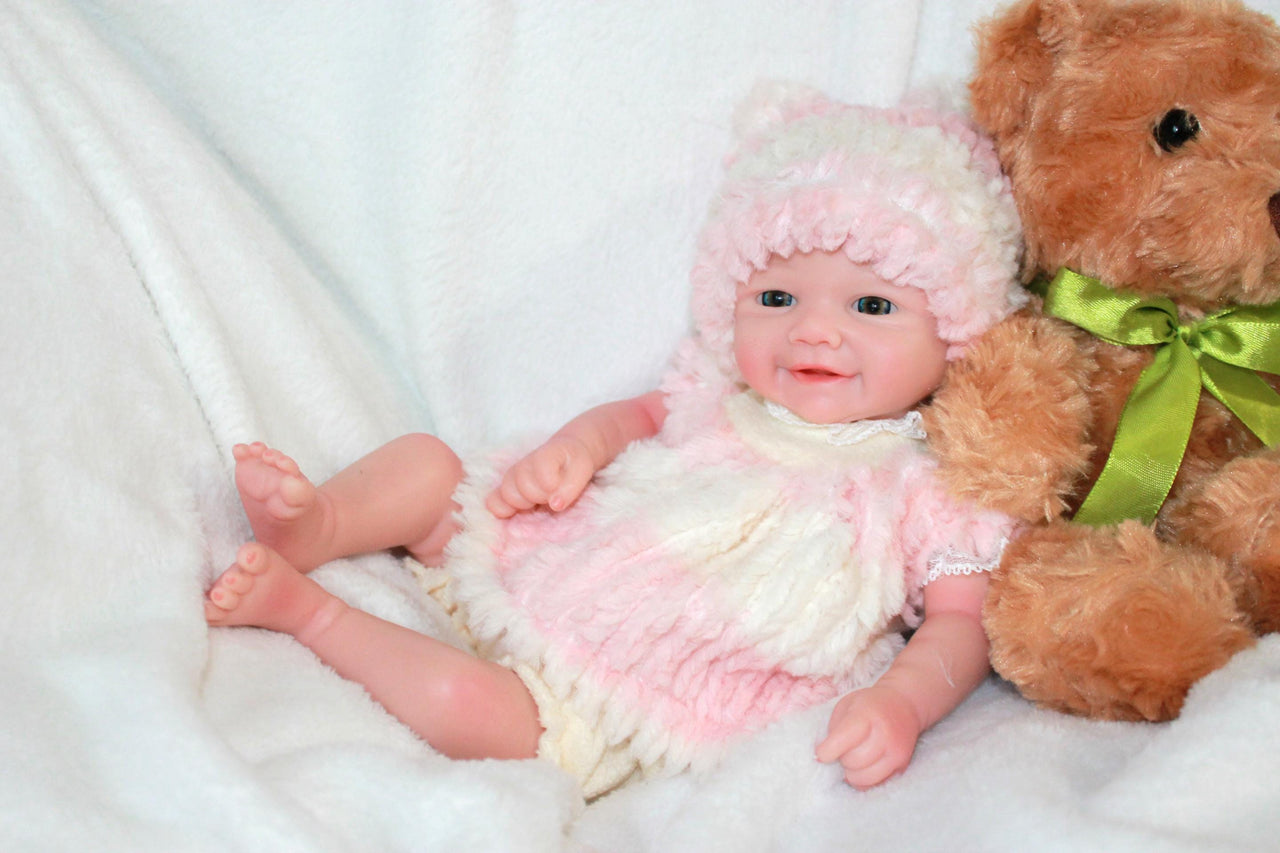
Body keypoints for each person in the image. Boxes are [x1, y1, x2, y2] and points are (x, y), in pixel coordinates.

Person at [204, 83, 1026, 798]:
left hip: (652, 670)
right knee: (429, 465)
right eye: (776, 296)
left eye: (871, 307)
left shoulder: (925, 482)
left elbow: (961, 623)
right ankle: (319, 524)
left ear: (956, 333)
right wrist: (578, 448)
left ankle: (311, 617)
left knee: (472, 708)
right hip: (564, 546)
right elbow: (638, 417)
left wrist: (905, 702)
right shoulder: (719, 390)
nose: (812, 333)